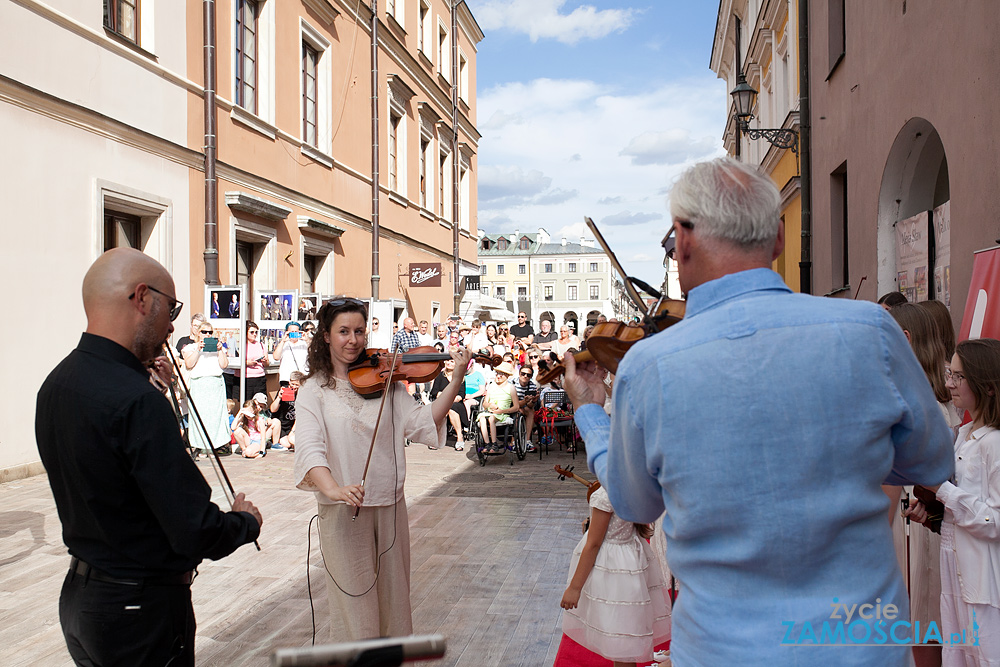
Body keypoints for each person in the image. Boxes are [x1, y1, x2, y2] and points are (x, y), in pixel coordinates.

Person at [563, 157, 954, 665]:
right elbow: (933, 462)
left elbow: (636, 506)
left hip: (722, 650)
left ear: (682, 242)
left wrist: (592, 416)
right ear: (780, 238)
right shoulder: (871, 332)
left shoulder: (649, 366)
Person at [36, 248, 261, 667]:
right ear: (141, 298)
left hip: (82, 601)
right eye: (170, 307)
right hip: (138, 607)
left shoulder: (57, 382)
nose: (172, 323)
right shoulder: (135, 398)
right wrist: (244, 523)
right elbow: (193, 528)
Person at [293, 297, 472, 641]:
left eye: (359, 331)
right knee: (354, 609)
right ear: (326, 336)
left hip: (389, 506)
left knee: (394, 606)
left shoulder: (386, 382)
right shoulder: (313, 391)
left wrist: (457, 377)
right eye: (343, 331)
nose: (353, 340)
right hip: (343, 511)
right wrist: (333, 489)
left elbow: (423, 422)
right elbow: (310, 449)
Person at [906, 339, 1000, 667]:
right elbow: (962, 506)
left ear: (987, 386)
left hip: (985, 587)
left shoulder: (995, 442)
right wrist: (933, 513)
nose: (949, 383)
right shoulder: (966, 433)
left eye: (958, 376)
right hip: (956, 579)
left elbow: (994, 521)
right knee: (957, 656)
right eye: (950, 374)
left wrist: (942, 490)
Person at [560, 486, 671, 666]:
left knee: (619, 637)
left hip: (612, 569)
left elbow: (594, 544)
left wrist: (574, 588)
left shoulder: (606, 494)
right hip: (629, 561)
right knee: (625, 634)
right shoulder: (632, 487)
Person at [182, 320, 231, 459]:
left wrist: (220, 350)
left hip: (215, 382)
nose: (207, 334)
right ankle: (199, 445)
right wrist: (199, 349)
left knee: (215, 416)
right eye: (204, 332)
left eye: (210, 332)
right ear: (198, 333)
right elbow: (189, 364)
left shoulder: (217, 347)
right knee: (199, 415)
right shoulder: (190, 347)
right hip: (199, 383)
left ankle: (215, 446)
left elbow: (224, 365)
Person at [476, 361, 519, 453]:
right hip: (490, 411)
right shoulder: (492, 386)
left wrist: (501, 411)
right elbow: (484, 403)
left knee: (491, 418)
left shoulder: (511, 387)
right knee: (482, 418)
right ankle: (487, 443)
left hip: (502, 413)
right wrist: (490, 405)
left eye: (501, 374)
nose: (498, 376)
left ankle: (494, 443)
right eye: (497, 374)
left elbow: (516, 407)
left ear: (507, 376)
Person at [429, 358, 469, 450]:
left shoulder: (460, 378)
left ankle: (459, 436)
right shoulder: (440, 376)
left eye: (452, 361)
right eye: (447, 361)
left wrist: (446, 397)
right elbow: (435, 392)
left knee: (451, 408)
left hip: (456, 404)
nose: (448, 363)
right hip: (442, 403)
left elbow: (461, 395)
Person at [268, 371, 303, 451]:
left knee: (291, 441)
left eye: (297, 385)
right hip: (282, 425)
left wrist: (292, 431)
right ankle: (274, 439)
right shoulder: (284, 390)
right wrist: (279, 398)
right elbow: (272, 410)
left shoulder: (302, 394)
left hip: (293, 424)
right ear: (289, 382)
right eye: (292, 384)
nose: (294, 387)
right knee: (286, 444)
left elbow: (300, 416)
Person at [240, 320, 269, 400]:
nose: (255, 334)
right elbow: (234, 360)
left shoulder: (261, 345)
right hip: (245, 378)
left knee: (260, 402)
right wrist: (246, 363)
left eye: (256, 332)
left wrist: (265, 361)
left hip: (259, 378)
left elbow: (267, 364)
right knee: (247, 402)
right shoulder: (241, 345)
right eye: (252, 332)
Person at [514, 365, 539, 452]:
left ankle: (527, 440)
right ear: (519, 374)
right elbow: (515, 404)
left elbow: (530, 406)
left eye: (528, 375)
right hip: (511, 405)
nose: (525, 376)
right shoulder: (512, 384)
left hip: (523, 405)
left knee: (531, 411)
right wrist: (524, 402)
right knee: (518, 411)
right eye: (523, 374)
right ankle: (514, 442)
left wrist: (533, 401)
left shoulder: (532, 386)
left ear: (531, 377)